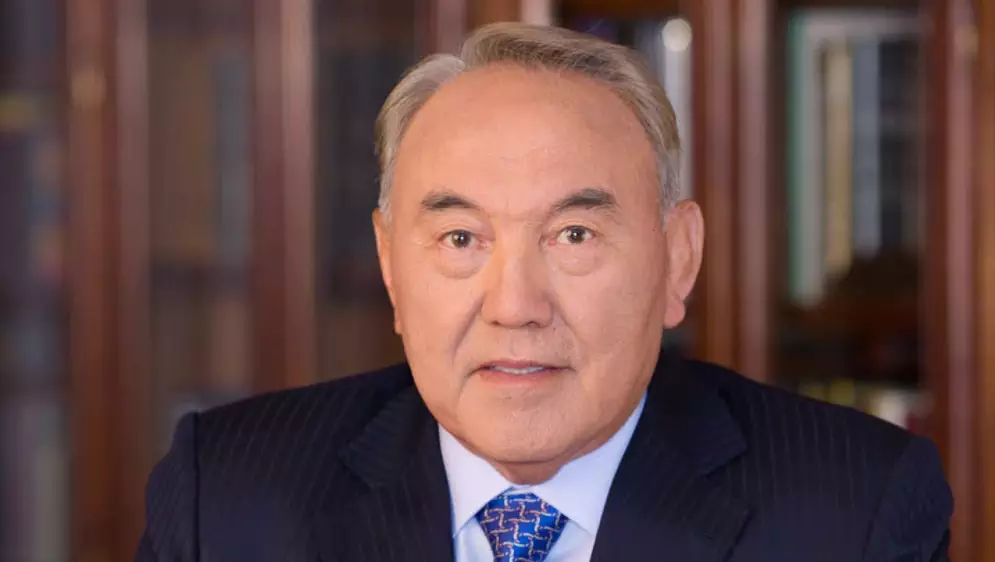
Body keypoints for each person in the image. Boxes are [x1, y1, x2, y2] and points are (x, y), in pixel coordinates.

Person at [135, 23, 952, 562]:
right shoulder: (227, 501)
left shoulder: (854, 512)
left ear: (678, 259)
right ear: (389, 265)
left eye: (574, 235)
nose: (516, 306)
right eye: (462, 239)